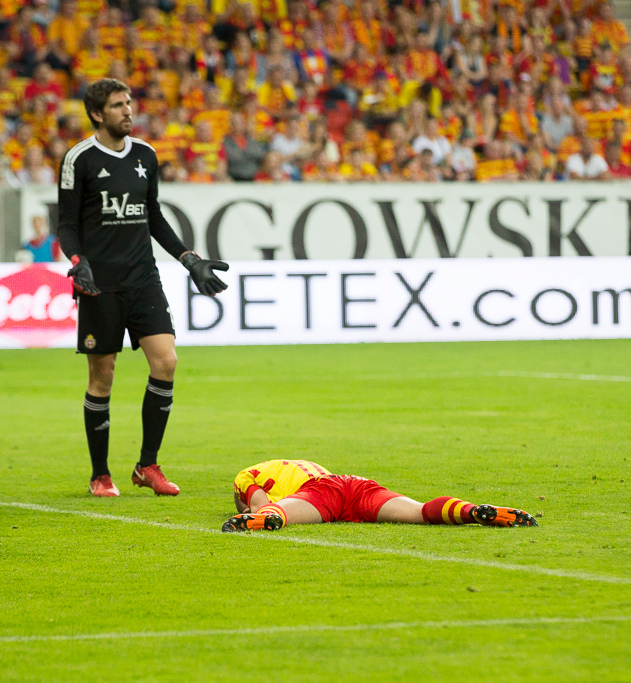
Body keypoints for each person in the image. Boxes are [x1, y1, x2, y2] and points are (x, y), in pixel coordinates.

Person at [57, 78, 229, 498]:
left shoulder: (145, 155)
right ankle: (100, 474)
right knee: (102, 376)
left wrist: (189, 258)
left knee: (166, 361)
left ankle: (147, 465)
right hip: (99, 284)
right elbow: (67, 225)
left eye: (129, 103)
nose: (128, 111)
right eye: (119, 105)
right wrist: (77, 262)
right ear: (97, 114)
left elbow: (153, 216)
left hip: (143, 279)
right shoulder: (78, 159)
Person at [223, 459, 538, 531]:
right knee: (420, 512)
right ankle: (472, 511)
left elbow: (259, 504)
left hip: (324, 492)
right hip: (357, 484)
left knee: (277, 516)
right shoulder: (289, 465)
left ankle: (259, 525)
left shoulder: (244, 477)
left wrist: (250, 512)